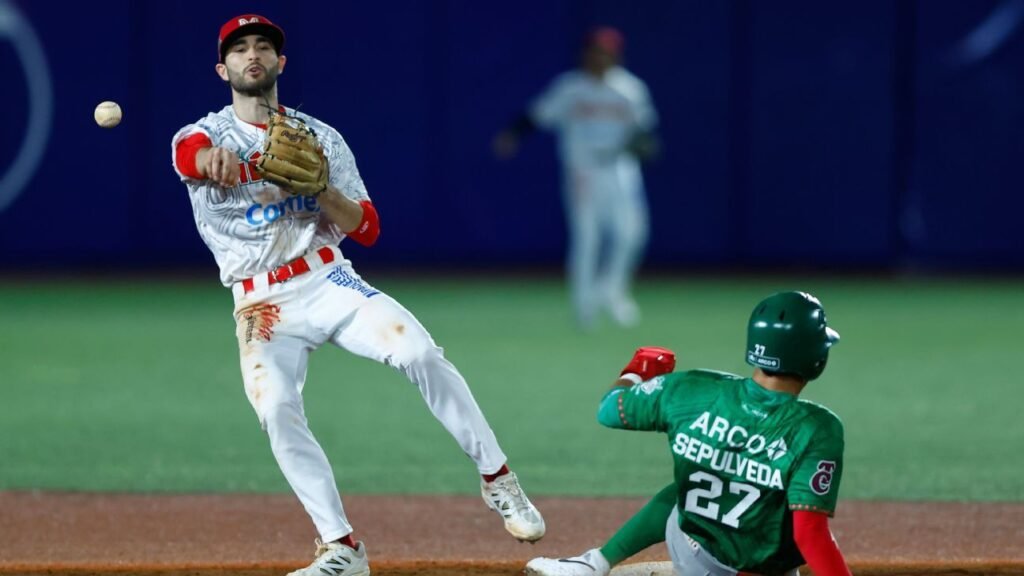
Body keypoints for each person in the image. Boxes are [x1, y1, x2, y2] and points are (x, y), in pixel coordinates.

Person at [170, 14, 545, 576]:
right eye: (241, 49)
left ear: (281, 63)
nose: (254, 55)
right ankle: (341, 546)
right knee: (275, 408)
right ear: (222, 68)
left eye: (264, 47)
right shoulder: (203, 136)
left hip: (326, 280)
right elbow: (189, 157)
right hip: (260, 304)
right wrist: (210, 162)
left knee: (418, 351)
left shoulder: (319, 138)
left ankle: (499, 480)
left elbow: (366, 228)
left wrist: (320, 189)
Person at [526, 291, 853, 576]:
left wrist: (635, 373)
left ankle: (594, 564)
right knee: (778, 502)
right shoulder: (817, 427)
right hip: (765, 570)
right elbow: (809, 534)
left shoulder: (692, 389)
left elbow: (609, 409)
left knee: (691, 484)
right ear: (815, 358)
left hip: (694, 555)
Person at [493, 26, 659, 330]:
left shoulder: (630, 89)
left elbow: (645, 132)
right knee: (587, 237)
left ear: (616, 55)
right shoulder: (571, 88)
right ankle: (584, 306)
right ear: (586, 53)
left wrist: (644, 145)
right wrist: (513, 135)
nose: (600, 57)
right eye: (595, 50)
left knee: (631, 233)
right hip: (584, 170)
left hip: (621, 167)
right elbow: (536, 114)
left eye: (606, 51)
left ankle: (612, 290)